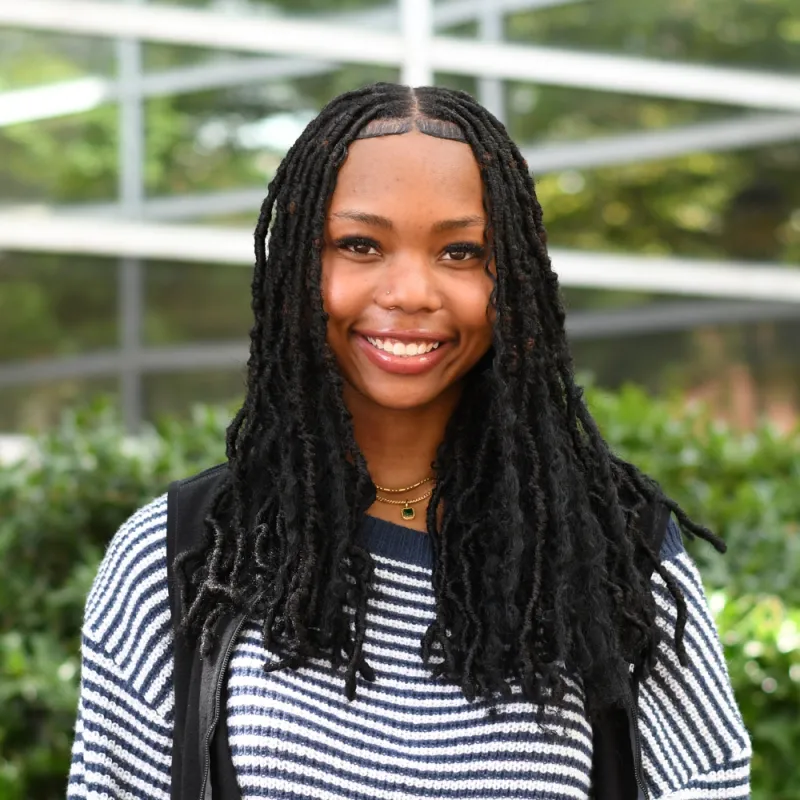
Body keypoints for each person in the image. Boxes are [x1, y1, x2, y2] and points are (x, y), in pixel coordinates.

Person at [67, 83, 750, 800]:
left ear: (513, 278)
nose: (412, 291)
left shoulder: (614, 552)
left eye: (461, 252)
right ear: (300, 264)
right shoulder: (183, 554)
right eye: (360, 244)